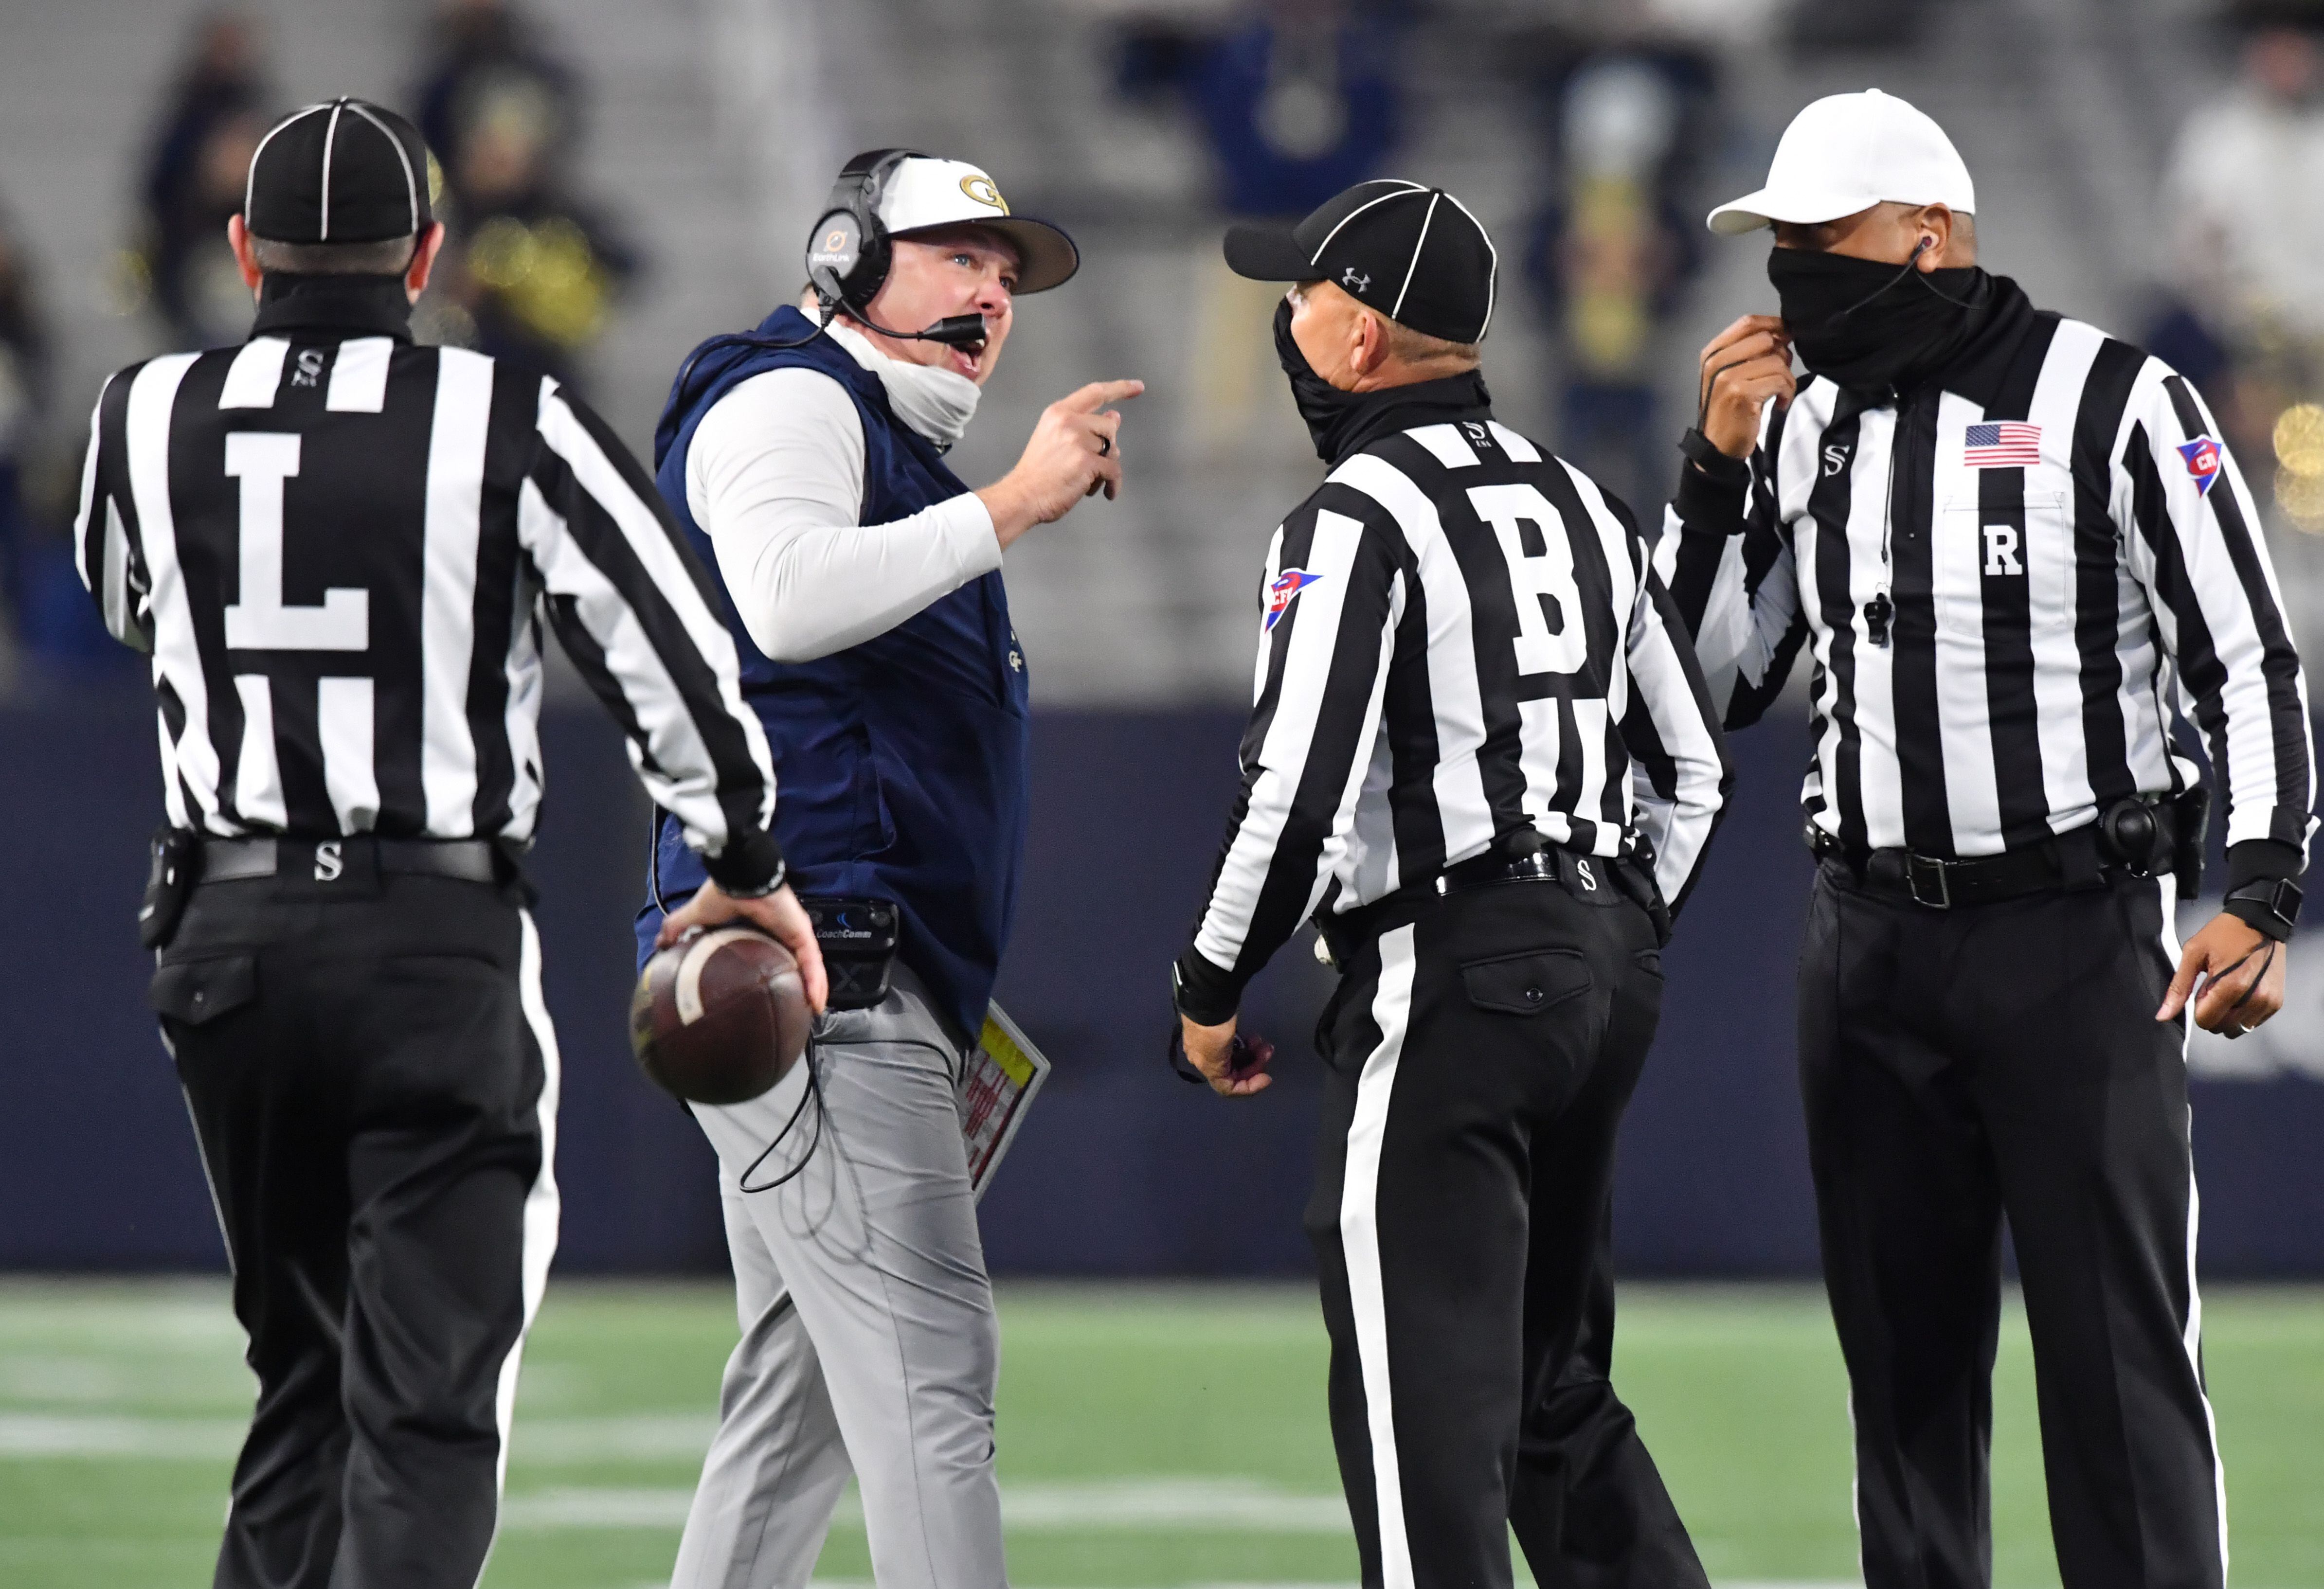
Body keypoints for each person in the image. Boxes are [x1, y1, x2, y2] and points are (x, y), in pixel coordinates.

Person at [72, 98, 825, 1589]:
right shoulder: (504, 415)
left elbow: (122, 598)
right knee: (423, 1411)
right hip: (431, 935)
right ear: (426, 257)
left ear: (241, 251)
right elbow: (671, 649)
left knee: (304, 1384)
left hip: (223, 948)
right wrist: (744, 851)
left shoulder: (141, 413)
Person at [1664, 89, 2315, 1589]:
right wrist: (1711, 472)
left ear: (1928, 235)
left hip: (2074, 944)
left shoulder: (2120, 400)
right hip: (1869, 942)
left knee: (2115, 1377)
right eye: (1781, 250)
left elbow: (2246, 657)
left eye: (1823, 244)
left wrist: (2264, 885)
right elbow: (1706, 680)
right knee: (1902, 1387)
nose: (1793, 285)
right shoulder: (1799, 423)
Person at [1170, 179, 1731, 1589]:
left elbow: (1294, 797)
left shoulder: (1353, 515)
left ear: (1359, 337)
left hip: (1453, 967)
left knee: (1422, 1417)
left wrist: (1206, 986)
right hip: (1597, 965)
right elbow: (1693, 769)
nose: (1287, 325)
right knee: (1553, 1399)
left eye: (1299, 300)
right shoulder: (1586, 502)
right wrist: (1606, 924)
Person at [643, 148, 1137, 1589]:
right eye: (956, 256)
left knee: (793, 1411)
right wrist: (1016, 502)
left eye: (1008, 273)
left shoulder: (883, 440)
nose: (991, 291)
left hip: (850, 960)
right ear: (848, 255)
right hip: (824, 960)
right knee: (931, 1386)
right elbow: (785, 601)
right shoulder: (791, 393)